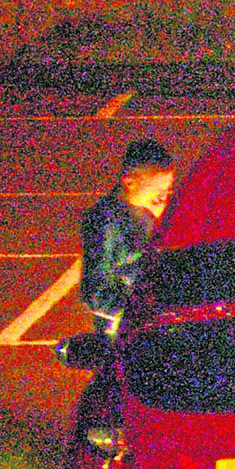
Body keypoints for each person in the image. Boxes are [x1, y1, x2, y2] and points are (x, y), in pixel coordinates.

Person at [79, 137, 175, 337]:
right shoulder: (105, 223)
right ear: (130, 183)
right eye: (157, 191)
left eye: (167, 191)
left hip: (153, 311)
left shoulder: (148, 211)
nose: (162, 198)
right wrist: (134, 313)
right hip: (126, 326)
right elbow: (96, 287)